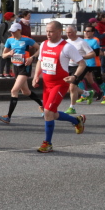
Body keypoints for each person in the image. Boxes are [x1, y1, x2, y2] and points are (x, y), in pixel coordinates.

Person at [32, 21, 87, 153]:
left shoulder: (67, 47)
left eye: (51, 31)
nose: (48, 34)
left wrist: (74, 77)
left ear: (59, 32)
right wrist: (36, 76)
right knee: (52, 113)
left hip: (59, 84)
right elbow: (40, 61)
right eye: (47, 31)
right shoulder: (44, 44)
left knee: (47, 113)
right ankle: (77, 120)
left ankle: (48, 143)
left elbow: (82, 63)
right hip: (47, 85)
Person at [0, 23, 42, 124]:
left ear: (19, 30)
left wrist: (32, 57)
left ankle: (8, 117)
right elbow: (3, 55)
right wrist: (9, 53)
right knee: (26, 92)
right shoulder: (9, 40)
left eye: (14, 31)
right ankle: (43, 105)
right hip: (16, 67)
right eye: (11, 31)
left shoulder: (26, 39)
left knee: (14, 90)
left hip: (25, 66)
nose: (12, 33)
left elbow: (40, 49)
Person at [63, 26, 94, 115]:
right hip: (69, 66)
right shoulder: (66, 42)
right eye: (67, 33)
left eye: (70, 32)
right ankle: (88, 93)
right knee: (68, 89)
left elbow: (92, 54)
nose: (68, 34)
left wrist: (81, 57)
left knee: (72, 87)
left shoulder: (81, 42)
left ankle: (72, 108)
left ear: (75, 32)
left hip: (80, 66)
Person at [78, 26, 105, 104]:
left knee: (99, 80)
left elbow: (96, 52)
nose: (87, 33)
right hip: (86, 63)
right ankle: (84, 95)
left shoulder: (95, 40)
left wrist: (85, 53)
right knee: (79, 79)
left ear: (93, 32)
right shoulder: (83, 40)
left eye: (88, 31)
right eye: (85, 31)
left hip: (95, 63)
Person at [0, 12, 15, 78]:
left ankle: (7, 73)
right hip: (4, 44)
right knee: (3, 59)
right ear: (10, 17)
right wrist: (5, 42)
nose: (14, 18)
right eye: (13, 17)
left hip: (10, 44)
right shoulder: (4, 24)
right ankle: (1, 73)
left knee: (9, 59)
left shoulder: (12, 25)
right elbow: (0, 35)